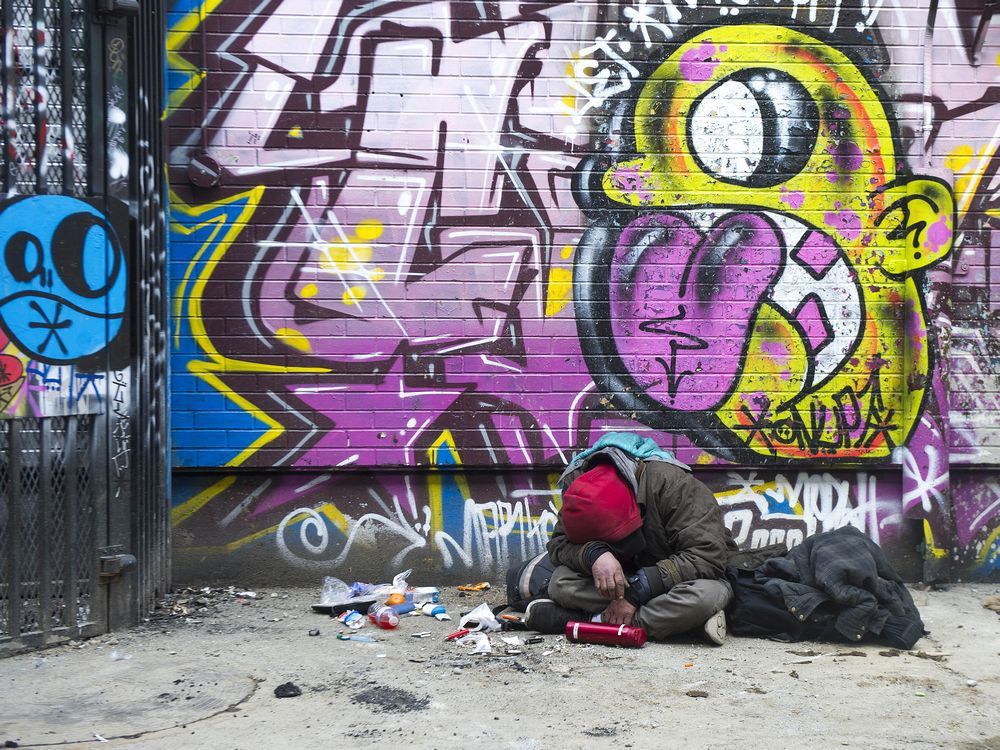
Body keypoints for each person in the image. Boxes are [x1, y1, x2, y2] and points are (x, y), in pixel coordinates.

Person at [525, 454, 733, 644]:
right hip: (626, 580)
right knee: (561, 582)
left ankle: (591, 621)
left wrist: (636, 593)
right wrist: (594, 554)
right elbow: (560, 543)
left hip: (678, 580)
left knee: (706, 596)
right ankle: (678, 624)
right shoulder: (579, 483)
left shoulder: (676, 487)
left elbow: (707, 556)